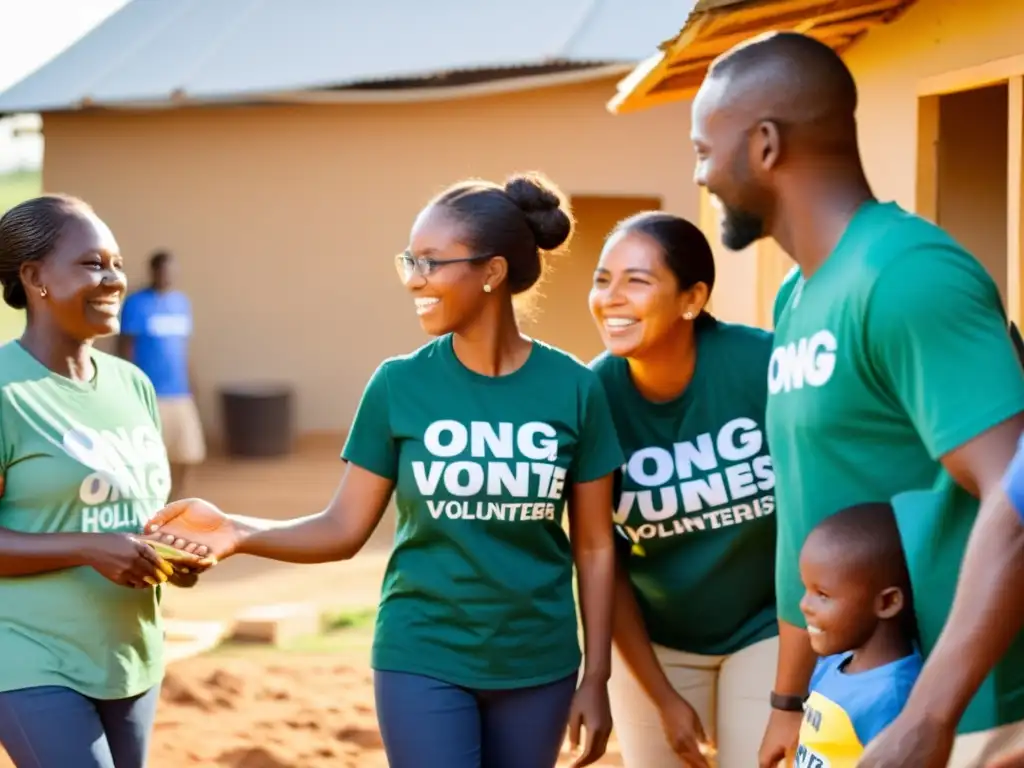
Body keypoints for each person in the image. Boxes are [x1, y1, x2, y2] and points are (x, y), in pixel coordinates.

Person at [142, 173, 623, 768]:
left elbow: (597, 546)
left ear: (492, 272)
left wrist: (597, 676)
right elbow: (344, 528)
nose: (415, 280)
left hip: (539, 664)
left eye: (433, 263)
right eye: (410, 262)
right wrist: (237, 532)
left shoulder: (575, 389)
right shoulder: (398, 385)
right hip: (421, 655)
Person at [689, 30, 1024, 768]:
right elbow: (808, 511)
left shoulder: (907, 275)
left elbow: (1019, 490)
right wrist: (792, 699)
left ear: (766, 145)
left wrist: (930, 717)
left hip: (959, 711)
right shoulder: (798, 295)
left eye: (705, 149)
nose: (702, 174)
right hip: (849, 702)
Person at [0, 195, 208, 768]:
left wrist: (173, 557)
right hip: (29, 656)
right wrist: (89, 548)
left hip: (130, 655)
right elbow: (97, 539)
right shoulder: (5, 392)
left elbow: (132, 522)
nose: (113, 278)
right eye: (93, 263)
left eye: (116, 263)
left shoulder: (133, 385)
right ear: (35, 277)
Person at [588, 211, 778, 767]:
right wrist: (662, 696)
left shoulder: (759, 365)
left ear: (692, 299)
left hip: (765, 624)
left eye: (637, 281)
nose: (612, 298)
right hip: (655, 641)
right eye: (603, 279)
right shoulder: (593, 396)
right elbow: (603, 560)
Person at [796, 502, 923, 767]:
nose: (804, 605)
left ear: (887, 603)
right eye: (805, 589)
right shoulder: (833, 663)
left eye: (822, 595)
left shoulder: (893, 694)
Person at [118, 250, 205, 500]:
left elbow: (184, 348)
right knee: (151, 453)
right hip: (150, 392)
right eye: (164, 270)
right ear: (154, 271)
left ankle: (181, 499)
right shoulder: (137, 303)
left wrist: (193, 381)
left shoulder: (181, 303)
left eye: (172, 270)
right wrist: (127, 385)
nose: (169, 275)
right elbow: (125, 347)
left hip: (179, 391)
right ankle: (154, 501)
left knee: (189, 452)